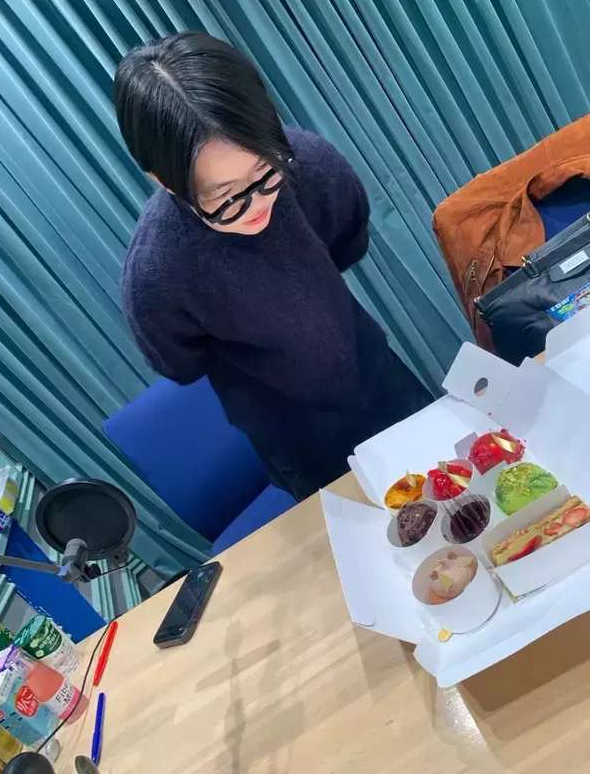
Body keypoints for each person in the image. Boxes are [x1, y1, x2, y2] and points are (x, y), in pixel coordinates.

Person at [115, 31, 432, 502]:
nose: (257, 203)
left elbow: (347, 242)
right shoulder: (157, 276)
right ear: (164, 181)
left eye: (266, 171)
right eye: (225, 197)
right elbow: (179, 363)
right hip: (299, 443)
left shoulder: (312, 165)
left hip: (381, 378)